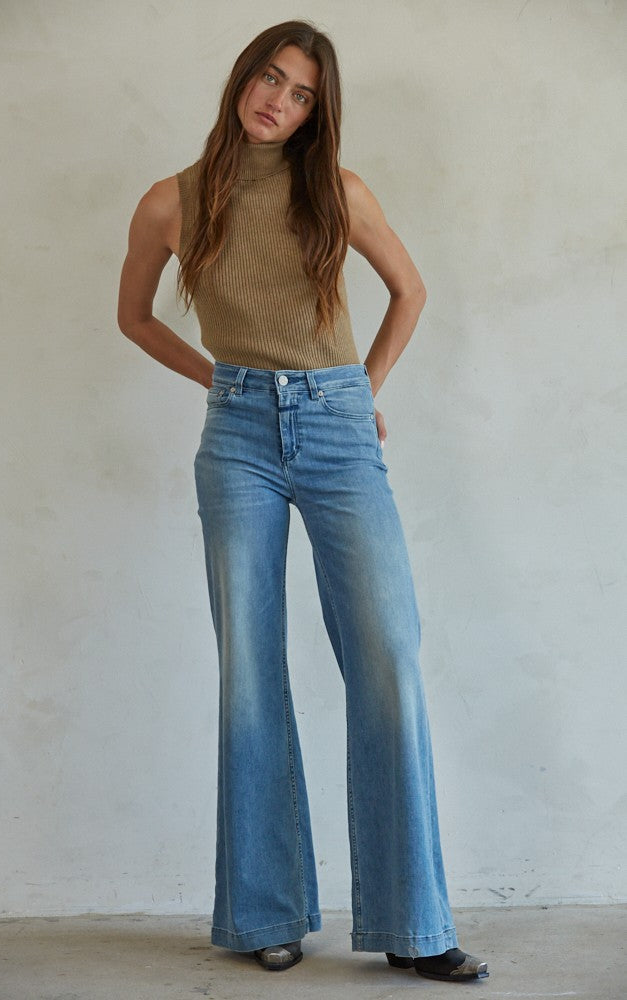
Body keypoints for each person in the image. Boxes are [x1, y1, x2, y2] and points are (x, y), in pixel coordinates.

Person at [117, 20, 488, 984]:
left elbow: (408, 290)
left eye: (301, 94)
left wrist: (360, 393)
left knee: (387, 654)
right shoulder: (168, 201)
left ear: (316, 112)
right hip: (236, 437)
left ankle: (412, 923)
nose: (277, 101)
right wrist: (219, 380)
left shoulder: (337, 191)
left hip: (336, 427)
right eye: (270, 78)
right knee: (249, 668)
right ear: (243, 78)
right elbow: (133, 317)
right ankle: (264, 913)